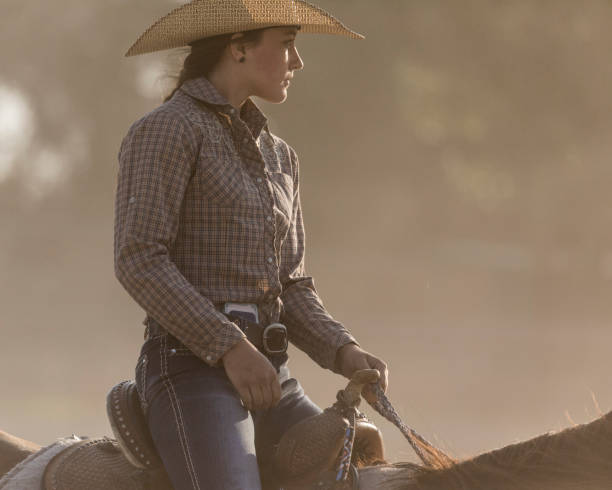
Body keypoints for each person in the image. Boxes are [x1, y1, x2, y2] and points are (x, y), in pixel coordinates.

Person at [114, 1, 389, 489]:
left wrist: (344, 351)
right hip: (189, 370)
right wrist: (229, 348)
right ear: (238, 47)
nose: (297, 62)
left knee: (364, 467)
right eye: (286, 43)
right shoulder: (166, 130)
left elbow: (292, 285)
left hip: (271, 376)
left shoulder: (280, 156)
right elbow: (140, 259)